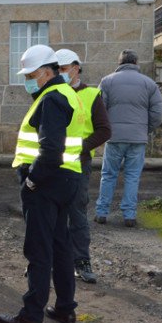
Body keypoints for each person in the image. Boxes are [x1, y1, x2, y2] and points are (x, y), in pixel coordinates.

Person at [0, 44, 85, 323]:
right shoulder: (67, 94)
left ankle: (31, 314)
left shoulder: (51, 99)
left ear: (47, 73)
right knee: (60, 246)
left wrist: (32, 179)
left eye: (31, 75)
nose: (27, 81)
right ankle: (64, 309)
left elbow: (50, 147)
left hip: (46, 183)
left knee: (39, 248)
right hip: (66, 180)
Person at [55, 50, 111, 283]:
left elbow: (104, 130)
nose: (61, 74)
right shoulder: (52, 93)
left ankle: (82, 261)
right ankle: (49, 262)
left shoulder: (91, 95)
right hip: (53, 164)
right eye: (57, 69)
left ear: (76, 68)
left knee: (76, 214)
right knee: (51, 215)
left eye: (64, 69)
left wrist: (80, 149)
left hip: (78, 164)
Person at [94, 50, 162, 228]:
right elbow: (157, 114)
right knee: (132, 177)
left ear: (120, 63)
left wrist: (104, 130)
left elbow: (99, 110)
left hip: (114, 137)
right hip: (138, 139)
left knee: (108, 175)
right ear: (137, 63)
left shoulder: (107, 81)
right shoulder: (149, 84)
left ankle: (101, 212)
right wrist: (144, 130)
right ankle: (129, 216)